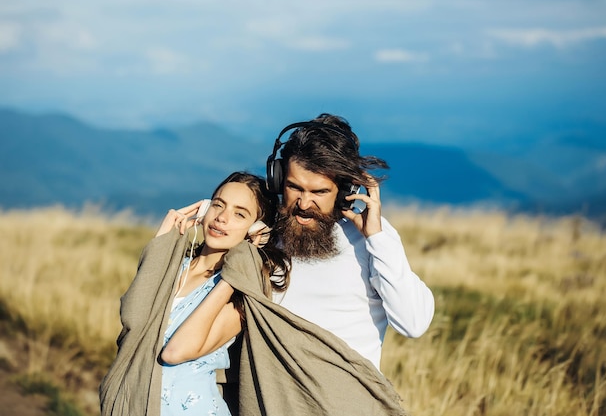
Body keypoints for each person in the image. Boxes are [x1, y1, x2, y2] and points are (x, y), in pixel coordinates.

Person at [99, 172, 290, 416]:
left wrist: (240, 266)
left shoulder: (239, 294)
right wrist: (164, 238)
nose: (221, 218)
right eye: (218, 205)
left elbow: (175, 351)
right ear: (204, 209)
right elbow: (133, 320)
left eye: (239, 214)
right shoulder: (173, 267)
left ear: (256, 230)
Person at [266, 113, 435, 370]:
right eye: (294, 187)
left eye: (319, 192)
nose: (303, 204)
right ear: (277, 180)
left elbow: (413, 323)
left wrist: (377, 239)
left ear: (347, 191)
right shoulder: (264, 231)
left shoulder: (375, 240)